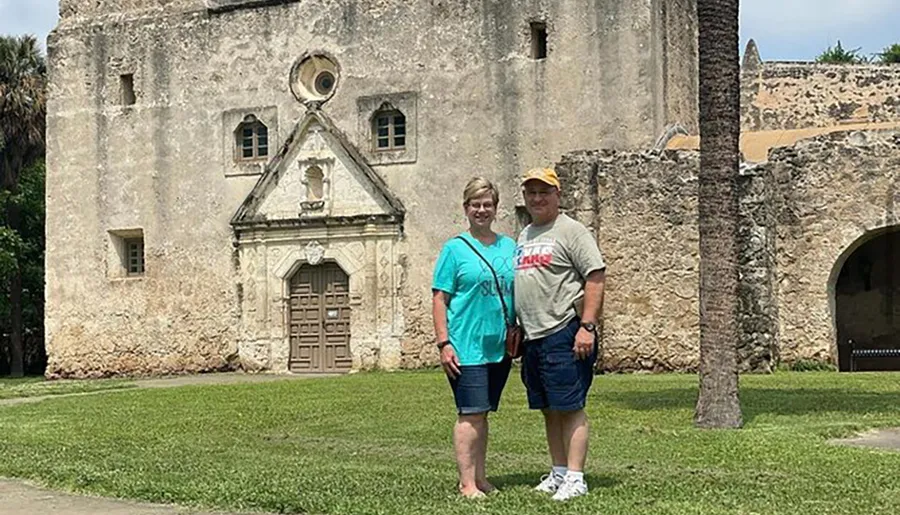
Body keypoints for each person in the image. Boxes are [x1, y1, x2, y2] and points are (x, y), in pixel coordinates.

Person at [514, 167, 607, 501]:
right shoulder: (525, 235)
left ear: (557, 194)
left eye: (544, 192)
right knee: (548, 408)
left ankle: (577, 477)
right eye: (531, 193)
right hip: (533, 337)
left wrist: (587, 326)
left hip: (564, 331)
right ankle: (558, 472)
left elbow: (595, 276)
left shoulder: (572, 231)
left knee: (570, 406)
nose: (537, 198)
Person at [432, 177, 517, 498]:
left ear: (496, 208)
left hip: (499, 347)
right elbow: (440, 298)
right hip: (466, 346)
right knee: (470, 413)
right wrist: (444, 343)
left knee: (482, 413)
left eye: (487, 204)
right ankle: (467, 482)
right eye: (475, 205)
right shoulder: (454, 249)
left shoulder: (509, 246)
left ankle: (480, 478)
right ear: (466, 208)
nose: (482, 210)